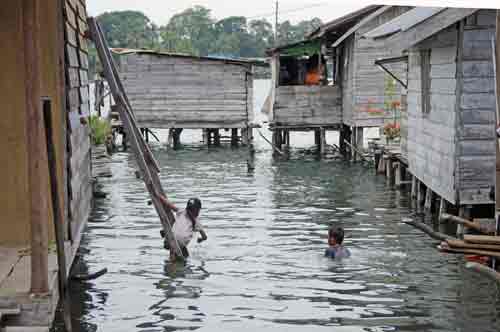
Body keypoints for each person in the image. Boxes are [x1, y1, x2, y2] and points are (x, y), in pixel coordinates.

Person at [156, 194, 207, 261]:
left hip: (170, 239)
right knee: (184, 255)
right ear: (197, 210)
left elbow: (169, 205)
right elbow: (205, 236)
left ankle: (170, 249)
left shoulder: (182, 211)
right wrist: (201, 239)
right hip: (181, 243)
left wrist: (160, 197)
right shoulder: (196, 221)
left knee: (181, 251)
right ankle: (174, 258)